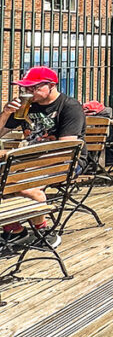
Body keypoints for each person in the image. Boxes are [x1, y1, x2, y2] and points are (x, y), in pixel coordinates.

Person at [0, 66, 86, 249]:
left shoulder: (69, 106)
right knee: (5, 181)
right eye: (25, 89)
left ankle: (44, 231)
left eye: (34, 88)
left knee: (23, 188)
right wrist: (6, 112)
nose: (28, 92)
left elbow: (65, 148)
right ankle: (15, 229)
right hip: (31, 160)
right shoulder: (26, 106)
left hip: (67, 160)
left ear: (51, 86)